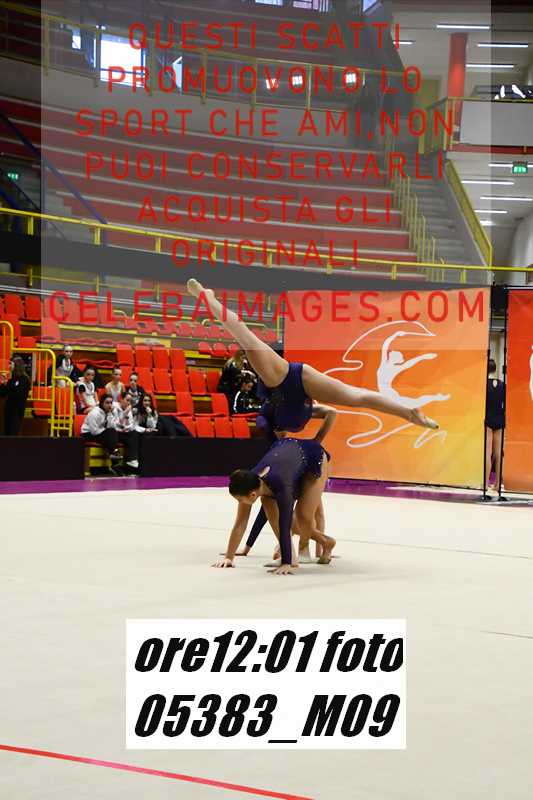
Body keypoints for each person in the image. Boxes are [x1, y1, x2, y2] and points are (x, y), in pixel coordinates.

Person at [187, 279, 439, 439]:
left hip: (282, 380)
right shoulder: (306, 416)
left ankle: (207, 298)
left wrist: (314, 439)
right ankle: (410, 412)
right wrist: (316, 440)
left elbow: (279, 424)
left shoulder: (273, 421)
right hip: (297, 383)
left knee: (246, 338)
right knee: (357, 398)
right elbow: (329, 413)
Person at [214, 437, 336, 576]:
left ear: (252, 495)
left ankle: (318, 545)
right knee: (268, 503)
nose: (239, 502)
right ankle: (323, 543)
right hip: (288, 455)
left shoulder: (282, 486)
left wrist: (286, 563)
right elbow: (240, 523)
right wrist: (229, 558)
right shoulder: (249, 482)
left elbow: (284, 524)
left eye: (239, 500)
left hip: (313, 457)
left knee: (303, 516)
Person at [80, 394, 122, 471]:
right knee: (111, 433)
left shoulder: (108, 412)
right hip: (88, 434)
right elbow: (94, 431)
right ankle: (114, 456)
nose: (110, 405)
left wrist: (110, 415)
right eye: (107, 403)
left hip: (101, 432)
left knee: (113, 432)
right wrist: (106, 431)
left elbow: (112, 427)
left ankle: (114, 455)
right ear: (102, 403)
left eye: (111, 403)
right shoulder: (94, 413)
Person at [485, 358, 505, 496]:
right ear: (495, 369)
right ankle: (498, 484)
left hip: (488, 418)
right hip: (499, 418)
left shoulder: (483, 384)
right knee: (498, 453)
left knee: (487, 453)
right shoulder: (503, 385)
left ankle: (486, 484)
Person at [0, 356, 31, 435]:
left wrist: (10, 386)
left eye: (10, 364)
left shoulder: (24, 379)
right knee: (7, 432)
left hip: (17, 410)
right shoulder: (11, 379)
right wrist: (3, 383)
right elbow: (3, 394)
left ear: (16, 365)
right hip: (8, 409)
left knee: (13, 432)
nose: (9, 366)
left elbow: (19, 394)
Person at [114, 390, 140, 470]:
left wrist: (126, 428)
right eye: (127, 400)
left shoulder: (128, 409)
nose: (129, 403)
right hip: (114, 433)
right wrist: (125, 413)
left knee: (134, 433)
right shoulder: (114, 407)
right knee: (131, 437)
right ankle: (131, 459)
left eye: (130, 401)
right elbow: (115, 424)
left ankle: (131, 461)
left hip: (124, 432)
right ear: (121, 399)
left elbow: (131, 424)